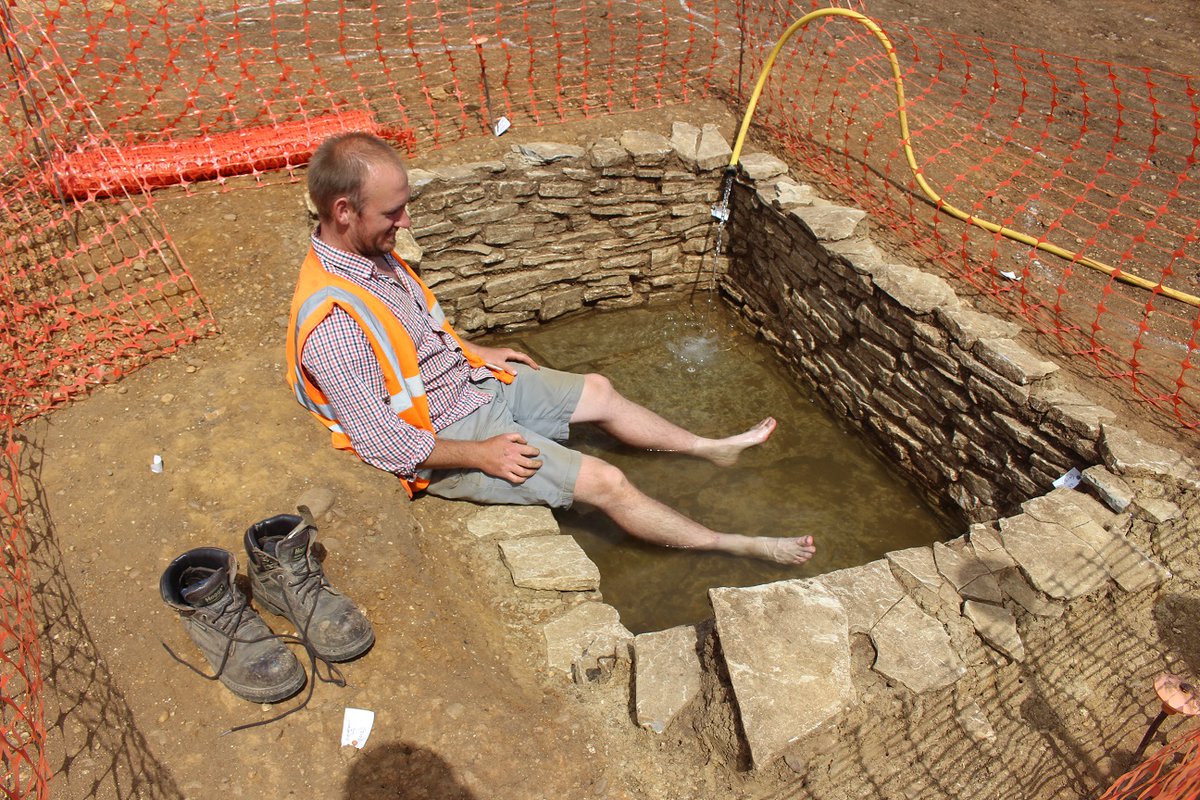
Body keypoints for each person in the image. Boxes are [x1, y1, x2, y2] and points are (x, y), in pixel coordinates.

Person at [286, 132, 816, 565]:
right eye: (393, 213)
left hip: (467, 381)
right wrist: (481, 455)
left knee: (601, 392)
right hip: (445, 431)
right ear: (344, 210)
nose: (405, 223)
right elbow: (384, 445)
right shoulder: (333, 323)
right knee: (608, 481)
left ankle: (706, 448)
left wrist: (469, 349)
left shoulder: (368, 252)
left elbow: (410, 328)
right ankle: (731, 544)